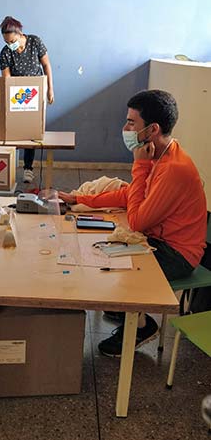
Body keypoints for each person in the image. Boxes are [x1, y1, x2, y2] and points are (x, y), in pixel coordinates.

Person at [59, 89, 207, 357]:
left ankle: (141, 325)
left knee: (107, 263)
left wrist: (139, 166)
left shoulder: (173, 168)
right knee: (98, 244)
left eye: (131, 122)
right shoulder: (162, 155)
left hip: (177, 255)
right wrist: (77, 198)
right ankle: (124, 309)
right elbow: (130, 195)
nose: (125, 128)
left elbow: (137, 221)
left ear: (152, 130)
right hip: (158, 240)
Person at [0, 16, 54, 184]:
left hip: (35, 94)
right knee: (15, 133)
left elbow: (46, 65)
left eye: (13, 41)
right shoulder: (6, 52)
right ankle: (9, 169)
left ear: (20, 33)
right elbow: (6, 78)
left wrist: (50, 89)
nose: (11, 45)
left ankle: (28, 168)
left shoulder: (35, 42)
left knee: (31, 133)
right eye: (7, 42)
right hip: (17, 96)